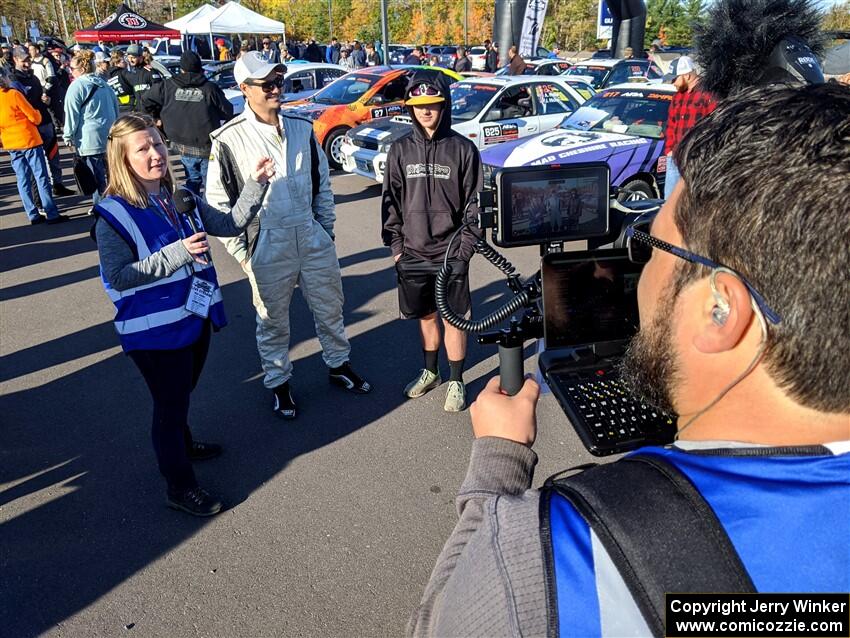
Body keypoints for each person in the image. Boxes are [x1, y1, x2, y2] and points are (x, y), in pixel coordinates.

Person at [406, 82, 850, 636]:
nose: (635, 272)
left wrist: (496, 467)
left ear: (720, 310)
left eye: (650, 244)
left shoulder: (554, 555)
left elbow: (438, 623)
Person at [94, 113, 275, 516]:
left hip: (192, 320)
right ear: (122, 159)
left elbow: (231, 223)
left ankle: (183, 442)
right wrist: (177, 254)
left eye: (157, 143)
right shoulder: (113, 215)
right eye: (143, 149)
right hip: (154, 334)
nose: (156, 153)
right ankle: (180, 486)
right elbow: (119, 277)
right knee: (169, 407)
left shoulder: (180, 196)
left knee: (180, 397)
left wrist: (256, 184)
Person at [206, 52, 372, 420]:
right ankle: (279, 383)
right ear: (244, 89)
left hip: (310, 235)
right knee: (272, 321)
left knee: (331, 307)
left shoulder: (299, 127)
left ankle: (338, 365)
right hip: (268, 243)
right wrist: (245, 256)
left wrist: (324, 232)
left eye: (279, 81)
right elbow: (218, 207)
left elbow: (322, 186)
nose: (276, 88)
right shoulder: (228, 139)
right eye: (267, 84)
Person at [381, 69, 482, 412]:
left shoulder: (463, 150)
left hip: (451, 253)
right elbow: (390, 202)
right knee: (426, 316)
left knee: (454, 317)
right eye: (419, 105)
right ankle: (430, 371)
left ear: (444, 105)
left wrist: (464, 251)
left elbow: (476, 206)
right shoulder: (399, 150)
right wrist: (397, 250)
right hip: (412, 252)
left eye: (433, 104)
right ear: (410, 107)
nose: (426, 111)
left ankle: (456, 379)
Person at [142, 51, 234, 196]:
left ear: (182, 68)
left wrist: (156, 117)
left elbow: (146, 99)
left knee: (192, 181)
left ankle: (194, 210)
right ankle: (205, 211)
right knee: (210, 184)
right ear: (199, 67)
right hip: (205, 145)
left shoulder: (168, 86)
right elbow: (227, 111)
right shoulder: (209, 88)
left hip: (181, 144)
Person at [0, 67, 66, 224]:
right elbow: (34, 117)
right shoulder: (14, 94)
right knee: (40, 176)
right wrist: (37, 112)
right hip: (28, 139)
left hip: (10, 142)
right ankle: (51, 212)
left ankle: (32, 213)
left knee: (22, 179)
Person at [10, 46, 75, 197]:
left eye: (28, 60)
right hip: (31, 126)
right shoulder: (14, 81)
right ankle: (41, 199)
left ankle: (58, 185)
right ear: (15, 60)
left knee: (53, 155)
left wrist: (46, 99)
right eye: (23, 61)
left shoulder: (33, 77)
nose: (27, 64)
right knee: (38, 166)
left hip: (45, 120)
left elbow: (40, 97)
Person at [63, 49, 119, 208]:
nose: (70, 71)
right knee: (112, 177)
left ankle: (101, 211)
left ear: (81, 69)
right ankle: (115, 207)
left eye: (72, 68)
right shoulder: (104, 85)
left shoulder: (76, 86)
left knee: (96, 181)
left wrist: (68, 136)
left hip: (89, 140)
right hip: (108, 137)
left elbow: (71, 115)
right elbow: (116, 110)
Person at [663, 55, 716, 198]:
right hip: (675, 157)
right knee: (669, 201)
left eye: (675, 79)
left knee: (692, 202)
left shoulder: (708, 93)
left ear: (687, 75)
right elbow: (671, 124)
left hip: (696, 158)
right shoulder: (677, 96)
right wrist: (669, 150)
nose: (672, 83)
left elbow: (715, 125)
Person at [121, 44, 163, 112]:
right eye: (129, 57)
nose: (130, 60)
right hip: (139, 112)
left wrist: (157, 115)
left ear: (140, 57)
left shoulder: (150, 72)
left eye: (133, 58)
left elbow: (159, 93)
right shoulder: (132, 74)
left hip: (151, 113)